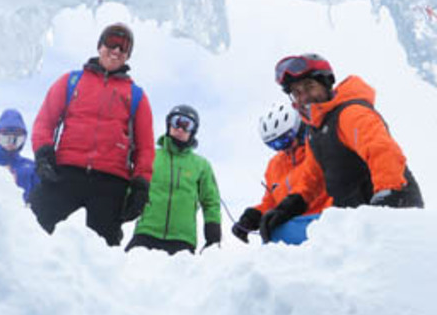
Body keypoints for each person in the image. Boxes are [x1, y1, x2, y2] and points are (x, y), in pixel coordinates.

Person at [259, 53, 424, 243]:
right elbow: (313, 178)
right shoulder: (316, 130)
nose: (304, 97)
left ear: (326, 83)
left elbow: (382, 151)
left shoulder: (350, 114)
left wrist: (388, 198)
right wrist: (288, 207)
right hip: (354, 219)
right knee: (280, 233)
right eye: (297, 92)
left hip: (391, 212)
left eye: (309, 87)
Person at [29, 23, 156, 246]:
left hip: (110, 185)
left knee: (101, 256)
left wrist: (140, 186)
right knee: (36, 235)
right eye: (111, 42)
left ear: (128, 56)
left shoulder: (136, 96)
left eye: (124, 47)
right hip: (65, 175)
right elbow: (44, 122)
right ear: (99, 46)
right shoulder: (70, 81)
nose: (116, 50)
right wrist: (43, 155)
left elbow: (145, 148)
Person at [125, 105, 222, 255]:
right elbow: (131, 186)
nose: (180, 129)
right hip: (147, 233)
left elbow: (211, 201)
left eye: (187, 125)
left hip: (182, 240)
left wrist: (213, 229)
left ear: (193, 131)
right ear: (169, 124)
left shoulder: (201, 165)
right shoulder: (151, 157)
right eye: (177, 122)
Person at [232, 102, 332, 245]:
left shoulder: (316, 148)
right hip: (290, 225)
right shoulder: (275, 165)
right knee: (270, 234)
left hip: (321, 220)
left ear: (299, 129)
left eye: (285, 140)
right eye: (274, 145)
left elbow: (313, 184)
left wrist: (289, 207)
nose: (282, 148)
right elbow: (271, 202)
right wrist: (254, 216)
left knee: (276, 234)